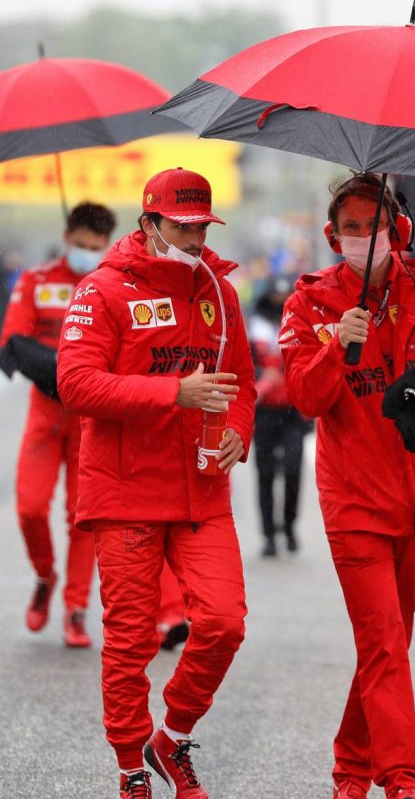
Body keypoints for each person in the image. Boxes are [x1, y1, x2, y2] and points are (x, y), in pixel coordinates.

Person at [279, 172, 415, 799]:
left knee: (385, 646)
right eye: (349, 229)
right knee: (383, 642)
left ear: (397, 230)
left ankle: (350, 768)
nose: (360, 239)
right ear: (331, 235)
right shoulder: (309, 305)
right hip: (355, 501)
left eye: (371, 227)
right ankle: (403, 780)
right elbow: (307, 400)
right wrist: (334, 347)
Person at [57, 167, 256, 799]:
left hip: (202, 489)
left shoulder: (220, 293)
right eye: (183, 226)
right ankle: (130, 766)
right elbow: (77, 385)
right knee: (131, 639)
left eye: (203, 227)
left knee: (224, 624)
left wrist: (239, 434)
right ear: (150, 224)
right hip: (125, 493)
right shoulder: (102, 291)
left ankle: (170, 738)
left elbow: (243, 383)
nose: (195, 239)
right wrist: (174, 392)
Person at [0, 203, 116, 647]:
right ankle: (45, 575)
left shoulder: (111, 283)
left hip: (92, 418)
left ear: (105, 245)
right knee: (29, 507)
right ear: (67, 236)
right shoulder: (37, 280)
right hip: (46, 413)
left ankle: (76, 608)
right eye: (81, 245)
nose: (88, 253)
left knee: (82, 518)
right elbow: (14, 339)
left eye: (96, 247)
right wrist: (67, 371)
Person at [248, 275, 310, 555]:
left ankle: (289, 525)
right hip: (263, 413)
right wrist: (264, 375)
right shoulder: (253, 328)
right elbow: (243, 368)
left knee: (294, 469)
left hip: (294, 410)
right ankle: (269, 535)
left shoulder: (300, 325)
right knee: (265, 473)